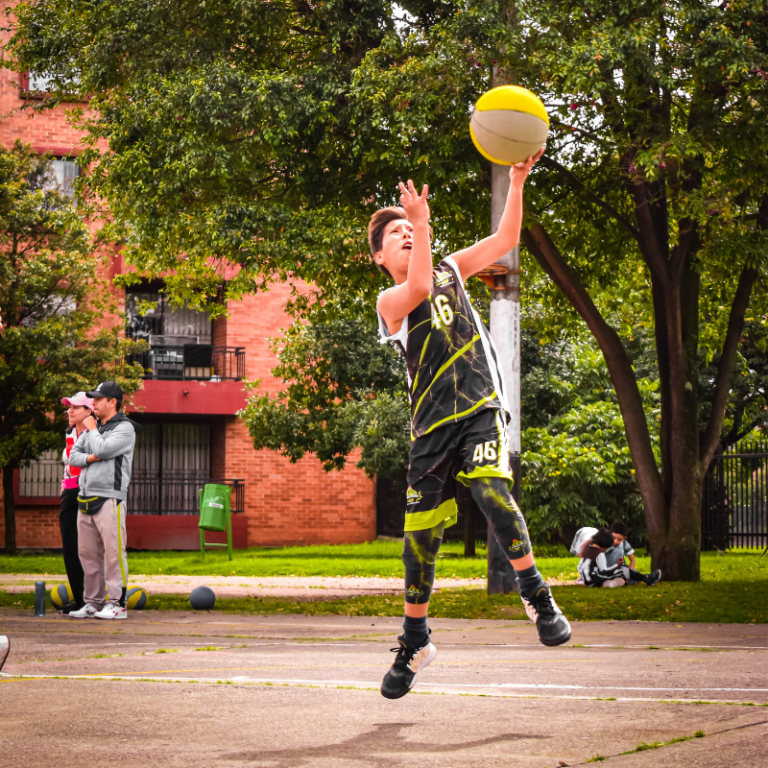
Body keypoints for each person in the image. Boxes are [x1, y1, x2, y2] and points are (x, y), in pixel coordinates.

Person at [371, 151, 571, 701]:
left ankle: (536, 593)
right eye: (396, 232)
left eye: (412, 227)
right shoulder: (390, 300)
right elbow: (415, 290)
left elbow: (506, 236)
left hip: (479, 408)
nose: (408, 233)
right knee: (419, 543)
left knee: (491, 493)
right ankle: (415, 639)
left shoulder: (453, 268)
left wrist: (517, 180)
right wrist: (424, 222)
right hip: (431, 431)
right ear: (378, 256)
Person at [67, 382, 140, 620]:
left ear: (112, 402)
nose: (94, 403)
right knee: (87, 554)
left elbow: (104, 448)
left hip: (110, 498)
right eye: (93, 399)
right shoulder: (93, 428)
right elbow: (72, 457)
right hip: (84, 498)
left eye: (98, 399)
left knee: (113, 554)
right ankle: (93, 603)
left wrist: (91, 431)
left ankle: (117, 604)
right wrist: (91, 457)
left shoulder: (125, 428)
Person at [58, 391, 95, 613]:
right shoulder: (71, 432)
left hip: (88, 492)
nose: (69, 411)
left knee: (88, 549)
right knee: (70, 548)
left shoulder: (95, 434)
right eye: (68, 407)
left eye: (75, 407)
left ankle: (93, 599)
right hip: (69, 493)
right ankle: (80, 598)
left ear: (89, 411)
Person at [578, 528, 661, 587]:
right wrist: (617, 571)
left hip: (588, 581)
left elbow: (580, 567)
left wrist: (617, 566)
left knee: (622, 570)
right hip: (595, 581)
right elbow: (604, 572)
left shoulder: (587, 550)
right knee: (623, 572)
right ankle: (646, 579)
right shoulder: (599, 554)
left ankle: (646, 578)